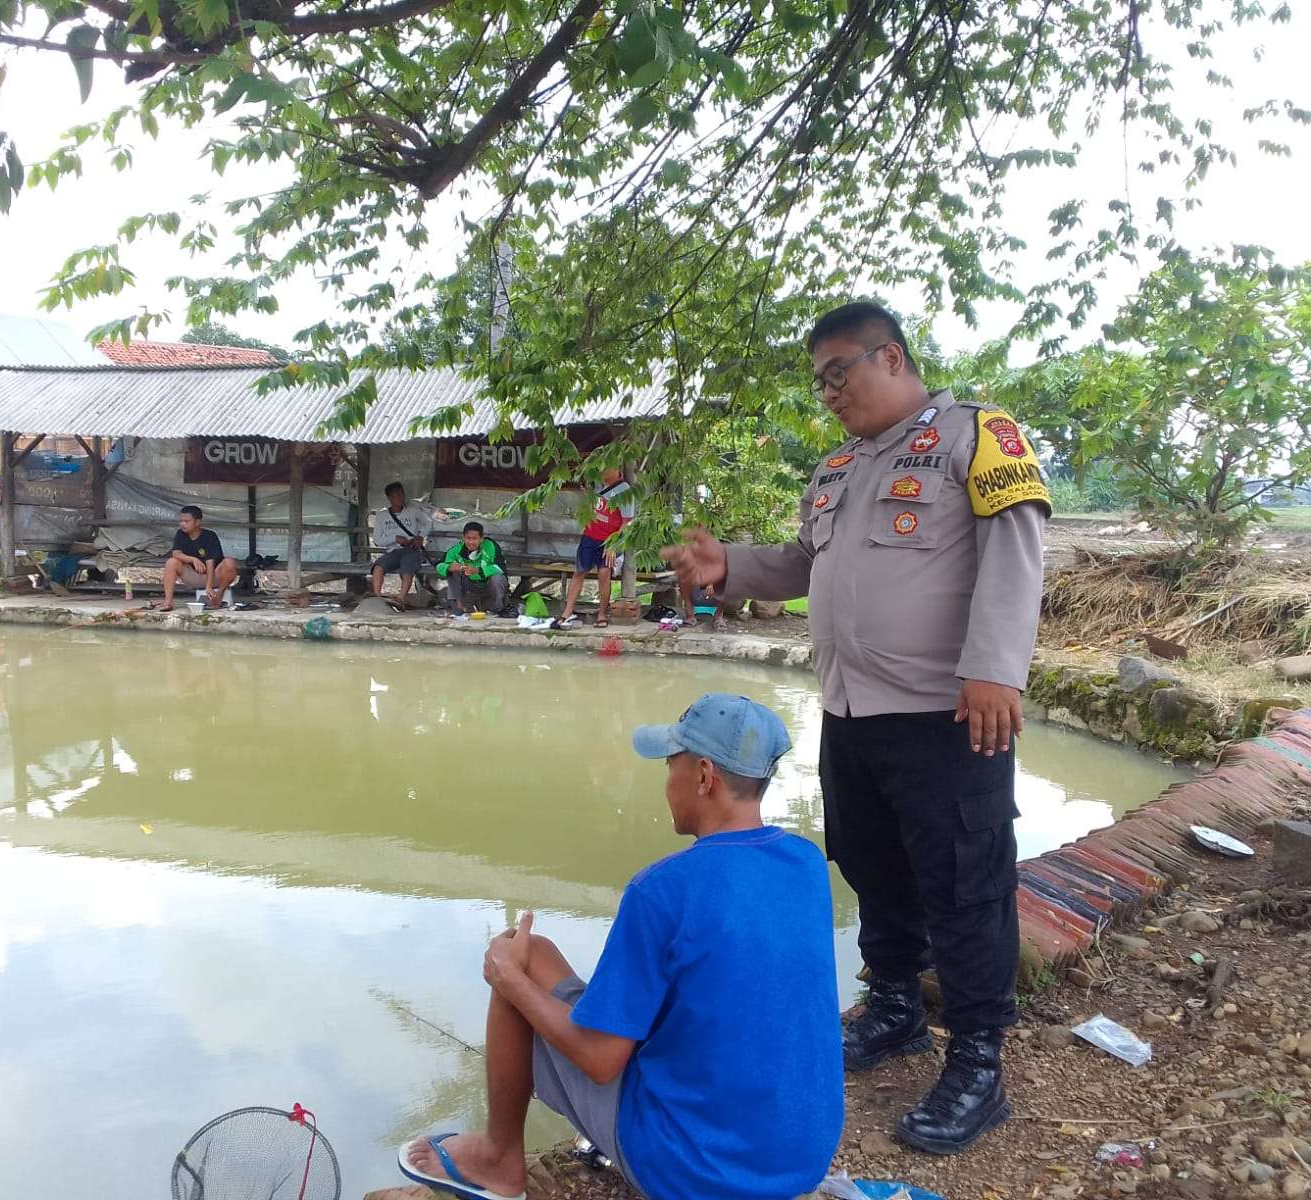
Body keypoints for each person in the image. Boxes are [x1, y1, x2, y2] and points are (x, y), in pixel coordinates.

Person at [663, 301, 1050, 1156]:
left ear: (893, 358)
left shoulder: (976, 436)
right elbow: (805, 564)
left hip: (948, 713)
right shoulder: (836, 467)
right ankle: (897, 1007)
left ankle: (978, 1060)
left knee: (965, 884)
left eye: (840, 372)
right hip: (850, 712)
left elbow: (1015, 553)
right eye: (821, 382)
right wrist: (729, 565)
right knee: (874, 865)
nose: (830, 392)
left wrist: (995, 668)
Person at [372, 694, 844, 1200]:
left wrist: (508, 981)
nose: (667, 781)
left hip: (696, 1172)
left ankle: (499, 1161)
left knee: (519, 963)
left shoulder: (663, 889)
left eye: (671, 765)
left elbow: (600, 1061)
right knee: (537, 951)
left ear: (704, 776)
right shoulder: (805, 863)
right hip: (801, 1156)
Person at [553, 467, 636, 629]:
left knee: (604, 573)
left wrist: (614, 544)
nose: (602, 471)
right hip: (590, 535)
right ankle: (567, 612)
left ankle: (602, 613)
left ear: (616, 469)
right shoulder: (596, 484)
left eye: (606, 468)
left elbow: (627, 522)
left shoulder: (625, 491)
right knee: (579, 572)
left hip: (609, 540)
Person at [158, 505, 238, 612]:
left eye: (187, 521)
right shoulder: (180, 534)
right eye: (181, 521)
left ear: (197, 522)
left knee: (230, 562)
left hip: (214, 576)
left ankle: (219, 595)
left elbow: (210, 563)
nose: (183, 524)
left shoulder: (209, 536)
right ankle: (168, 602)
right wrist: (193, 559)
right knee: (171, 562)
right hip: (194, 576)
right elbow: (176, 553)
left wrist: (209, 587)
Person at [371, 482, 433, 606]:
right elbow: (377, 540)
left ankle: (400, 598)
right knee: (378, 567)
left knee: (407, 568)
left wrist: (420, 536)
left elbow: (428, 523)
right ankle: (377, 596)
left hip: (411, 549)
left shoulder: (413, 511)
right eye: (396, 495)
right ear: (390, 498)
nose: (400, 498)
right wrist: (394, 539)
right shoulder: (382, 516)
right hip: (393, 551)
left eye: (401, 494)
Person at [437, 521, 510, 616]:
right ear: (463, 538)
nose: (471, 542)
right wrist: (449, 567)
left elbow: (501, 568)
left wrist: (478, 571)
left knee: (497, 577)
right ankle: (459, 607)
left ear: (481, 539)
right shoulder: (457, 549)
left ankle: (497, 608)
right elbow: (439, 565)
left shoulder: (491, 546)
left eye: (475, 539)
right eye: (468, 538)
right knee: (452, 571)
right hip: (470, 586)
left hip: (488, 584)